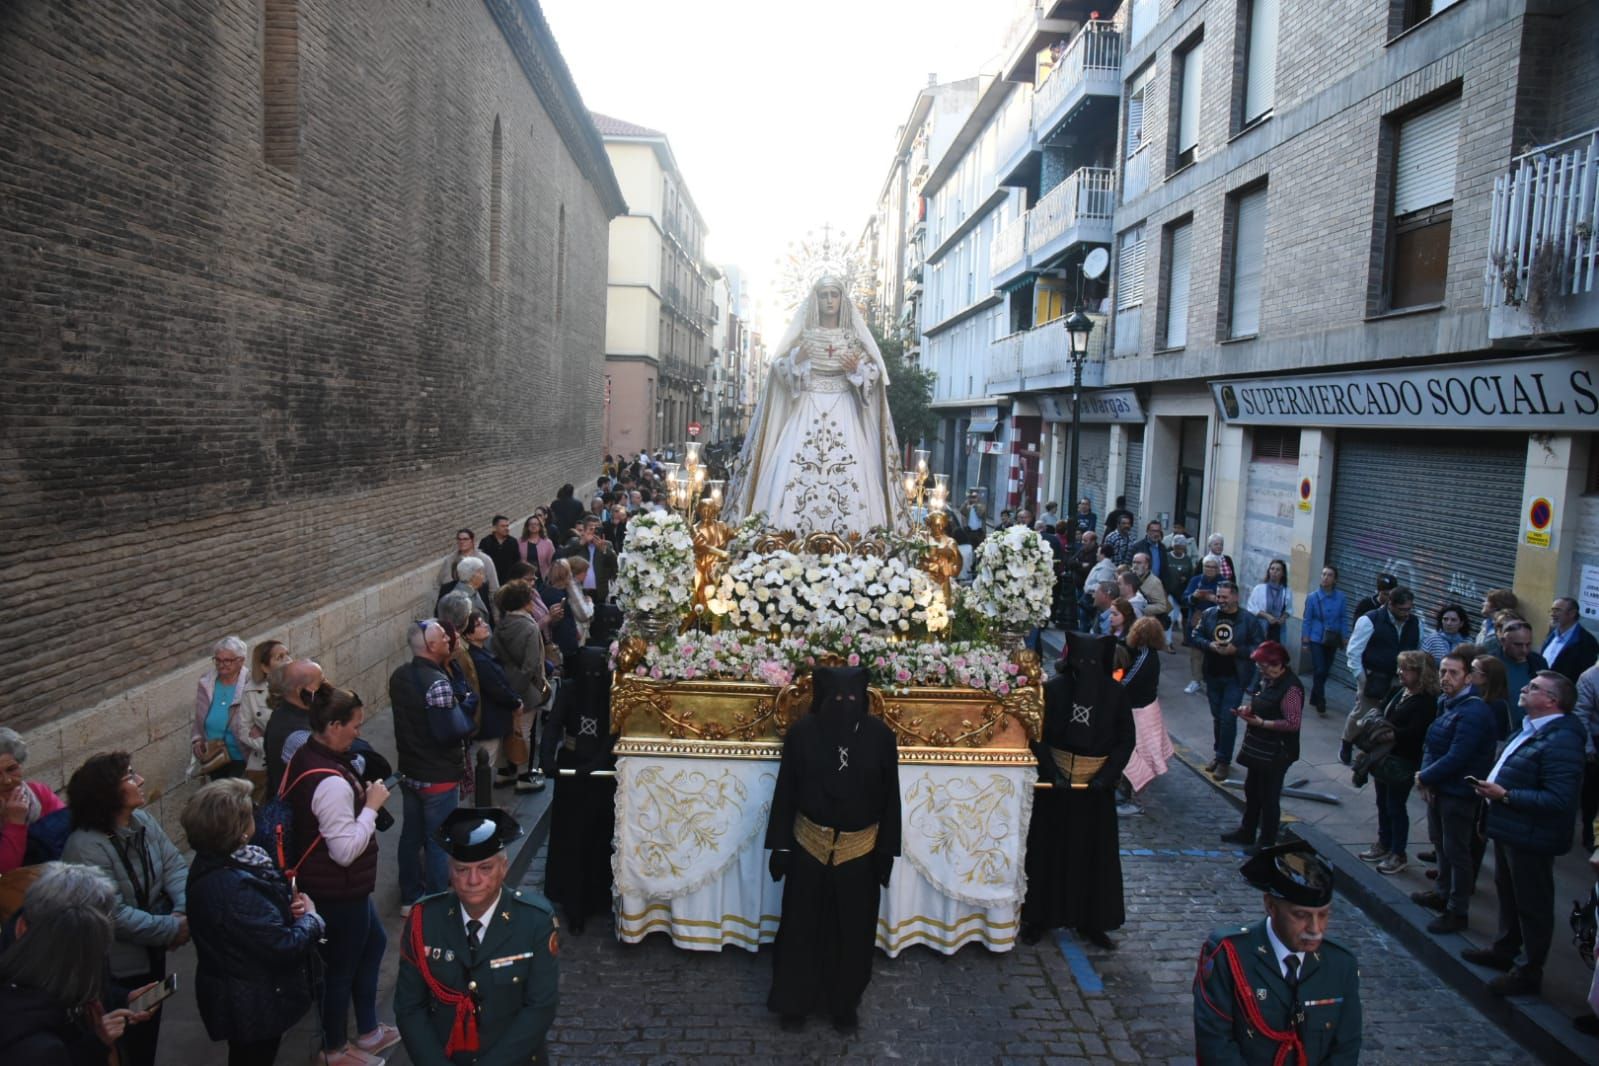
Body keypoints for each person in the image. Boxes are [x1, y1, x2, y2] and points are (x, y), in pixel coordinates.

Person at [766, 667, 900, 1033]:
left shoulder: (880, 737)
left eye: (852, 699)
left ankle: (844, 1004)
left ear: (865, 701)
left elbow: (892, 799)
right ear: (822, 699)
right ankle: (794, 1002)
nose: (844, 706)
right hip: (809, 844)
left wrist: (887, 851)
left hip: (859, 853)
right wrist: (779, 846)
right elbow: (786, 792)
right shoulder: (802, 735)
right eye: (836, 699)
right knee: (800, 929)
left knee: (853, 933)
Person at [727, 276, 906, 537]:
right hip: (806, 407)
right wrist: (795, 361)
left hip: (843, 408)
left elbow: (873, 375)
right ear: (816, 300)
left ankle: (857, 541)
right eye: (824, 295)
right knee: (794, 474)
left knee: (851, 474)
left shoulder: (854, 339)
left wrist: (857, 370)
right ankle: (786, 538)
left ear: (842, 299)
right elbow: (778, 370)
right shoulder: (803, 337)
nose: (829, 300)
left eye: (834, 294)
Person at [282, 684, 398, 1065]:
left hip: (344, 888)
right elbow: (345, 851)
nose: (359, 732)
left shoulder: (309, 753)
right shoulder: (329, 781)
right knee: (339, 972)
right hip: (336, 890)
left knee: (374, 943)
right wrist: (371, 807)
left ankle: (367, 1030)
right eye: (355, 725)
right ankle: (334, 1050)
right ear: (333, 725)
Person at [395, 808, 559, 1063]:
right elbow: (409, 1008)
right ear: (450, 871)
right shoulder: (423, 920)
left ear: (503, 868)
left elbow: (540, 1008)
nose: (473, 880)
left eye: (485, 868)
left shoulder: (535, 921)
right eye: (462, 869)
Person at [181, 778, 323, 1066]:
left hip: (246, 990)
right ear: (239, 830)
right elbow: (281, 944)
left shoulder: (226, 863)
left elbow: (256, 926)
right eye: (250, 812)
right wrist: (311, 919)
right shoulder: (235, 886)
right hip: (252, 1000)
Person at [61, 753, 189, 1066]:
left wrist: (184, 912)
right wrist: (172, 928)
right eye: (130, 776)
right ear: (108, 793)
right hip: (118, 966)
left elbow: (174, 865)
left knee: (149, 1030)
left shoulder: (142, 821)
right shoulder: (85, 847)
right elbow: (113, 914)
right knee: (127, 1042)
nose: (141, 780)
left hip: (152, 950)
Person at [1462, 671, 1585, 996]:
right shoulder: (1531, 727)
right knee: (1509, 893)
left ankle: (1529, 970)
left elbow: (1559, 799)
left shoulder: (1563, 740)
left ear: (1551, 700)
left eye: (1533, 688)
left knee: (1532, 903)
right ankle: (1505, 949)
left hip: (1532, 835)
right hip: (1509, 829)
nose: (1525, 689)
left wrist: (1506, 796)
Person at [1193, 842, 1362, 1064]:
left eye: (1323, 915)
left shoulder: (1340, 964)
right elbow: (1216, 1045)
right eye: (1301, 915)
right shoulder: (1229, 955)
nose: (1315, 929)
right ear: (1271, 906)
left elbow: (1346, 1047)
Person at [1022, 634, 1135, 950]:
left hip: (1095, 791)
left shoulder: (1115, 694)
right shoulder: (1054, 690)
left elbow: (1126, 739)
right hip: (1056, 787)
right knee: (1047, 853)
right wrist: (1051, 772)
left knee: (1093, 857)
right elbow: (1037, 733)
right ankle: (1038, 917)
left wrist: (1107, 776)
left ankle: (1093, 920)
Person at [0, 862, 156, 1063]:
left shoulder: (78, 943)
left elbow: (92, 990)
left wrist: (123, 999)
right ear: (23, 928)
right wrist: (97, 1042)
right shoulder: (27, 1039)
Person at [1411, 648, 1498, 934]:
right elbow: (1431, 743)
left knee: (1456, 851)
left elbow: (1458, 755)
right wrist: (1427, 778)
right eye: (1443, 672)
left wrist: (1426, 776)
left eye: (1453, 673)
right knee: (1440, 844)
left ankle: (1457, 909)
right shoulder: (1445, 703)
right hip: (1439, 788)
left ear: (1469, 678)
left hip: (1459, 793)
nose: (1446, 678)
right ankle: (1441, 892)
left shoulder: (1474, 712)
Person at [391, 621, 472, 914]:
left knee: (410, 836)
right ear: (431, 647)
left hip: (409, 770)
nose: (449, 642)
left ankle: (409, 896)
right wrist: (465, 708)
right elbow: (450, 731)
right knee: (438, 841)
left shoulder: (399, 676)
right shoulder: (437, 683)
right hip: (437, 775)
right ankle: (437, 902)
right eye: (443, 639)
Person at [539, 646, 617, 934]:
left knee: (596, 836)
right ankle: (570, 898)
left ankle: (595, 896)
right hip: (572, 770)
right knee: (570, 837)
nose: (592, 678)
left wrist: (597, 761)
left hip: (600, 775)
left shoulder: (610, 692)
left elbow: (613, 732)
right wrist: (545, 758)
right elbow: (554, 724)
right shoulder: (570, 690)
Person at [1354, 650, 1436, 875]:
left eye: (1406, 669)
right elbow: (1379, 711)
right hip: (1383, 757)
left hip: (1403, 760)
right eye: (1400, 668)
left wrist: (1390, 733)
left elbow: (1415, 732)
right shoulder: (1398, 691)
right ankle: (1383, 843)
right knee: (1382, 803)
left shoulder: (1427, 701)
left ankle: (1398, 852)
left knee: (1395, 806)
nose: (1400, 673)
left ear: (1421, 672)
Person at [1220, 642, 1303, 852]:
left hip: (1278, 751)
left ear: (1279, 663)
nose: (1263, 670)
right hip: (1262, 747)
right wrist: (1247, 710)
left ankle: (1266, 841)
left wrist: (1263, 723)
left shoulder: (1291, 688)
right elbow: (1264, 704)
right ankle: (1247, 831)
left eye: (1266, 666)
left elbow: (1293, 723)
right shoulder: (1270, 681)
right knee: (1252, 789)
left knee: (1269, 796)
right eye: (1261, 666)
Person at [1190, 582, 1263, 782]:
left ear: (1235, 597)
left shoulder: (1248, 619)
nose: (1221, 601)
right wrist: (1209, 645)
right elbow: (1196, 636)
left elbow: (1258, 647)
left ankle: (1224, 760)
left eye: (1225, 597)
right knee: (1217, 717)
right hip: (1213, 674)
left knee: (1228, 718)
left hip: (1235, 677)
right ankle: (1219, 753)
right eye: (1219, 597)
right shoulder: (1209, 615)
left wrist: (1237, 651)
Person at [1342, 585, 1420, 766]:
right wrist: (1361, 678)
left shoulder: (1415, 623)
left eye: (1409, 609)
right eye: (1402, 609)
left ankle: (1374, 750)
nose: (1407, 613)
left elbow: (1418, 648)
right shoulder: (1370, 620)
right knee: (1362, 713)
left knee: (1390, 717)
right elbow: (1354, 652)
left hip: (1399, 680)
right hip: (1373, 677)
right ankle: (1347, 742)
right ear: (1391, 604)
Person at [492, 580, 551, 795]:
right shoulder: (529, 627)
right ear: (526, 602)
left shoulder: (501, 626)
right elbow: (532, 664)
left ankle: (504, 772)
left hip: (504, 686)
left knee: (508, 729)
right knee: (525, 731)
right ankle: (524, 775)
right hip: (525, 690)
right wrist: (522, 691)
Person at [1117, 616, 1173, 816]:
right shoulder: (1150, 655)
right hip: (1146, 708)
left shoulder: (1144, 657)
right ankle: (1125, 796)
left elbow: (1127, 683)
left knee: (1133, 756)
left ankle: (1126, 798)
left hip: (1139, 712)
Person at [463, 610, 521, 781]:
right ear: (469, 635)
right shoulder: (479, 660)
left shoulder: (482, 653)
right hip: (489, 720)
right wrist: (515, 702)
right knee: (485, 763)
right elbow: (496, 688)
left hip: (494, 718)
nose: (485, 625)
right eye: (479, 625)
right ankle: (480, 803)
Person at [0, 727, 66, 874]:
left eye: (11, 769)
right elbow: (5, 871)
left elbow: (67, 834)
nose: (7, 780)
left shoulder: (38, 792)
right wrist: (15, 823)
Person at [238, 640, 291, 801]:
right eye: (280, 657)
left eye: (287, 654)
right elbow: (244, 730)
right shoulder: (251, 692)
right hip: (266, 762)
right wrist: (269, 744)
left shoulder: (299, 684)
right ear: (265, 667)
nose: (288, 660)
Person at [192, 637, 251, 781]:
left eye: (227, 661)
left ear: (241, 660)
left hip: (242, 754)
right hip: (214, 754)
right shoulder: (206, 682)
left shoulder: (251, 683)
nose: (221, 665)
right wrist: (197, 739)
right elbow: (200, 714)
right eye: (217, 660)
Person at [265, 659, 324, 796]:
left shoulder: (291, 712)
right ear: (301, 691)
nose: (327, 687)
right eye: (321, 683)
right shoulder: (298, 733)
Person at [1299, 566, 1348, 715]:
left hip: (1332, 638)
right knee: (1319, 668)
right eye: (1323, 574)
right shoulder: (1313, 597)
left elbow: (1343, 618)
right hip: (1316, 637)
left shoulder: (1341, 597)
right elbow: (1307, 619)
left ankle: (1314, 695)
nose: (1325, 577)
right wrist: (1305, 640)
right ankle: (1321, 699)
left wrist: (1345, 636)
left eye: (1329, 575)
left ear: (1335, 579)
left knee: (1325, 670)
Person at [1494, 620, 1548, 731]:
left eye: (1528, 644)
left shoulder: (1538, 662)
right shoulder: (1491, 663)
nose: (1524, 650)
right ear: (1503, 641)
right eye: (1518, 645)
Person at [1182, 555, 1224, 693]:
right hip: (1197, 618)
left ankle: (1211, 681)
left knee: (1214, 652)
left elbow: (1230, 602)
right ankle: (1196, 680)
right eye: (1207, 566)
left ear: (1218, 569)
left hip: (1217, 621)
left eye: (1213, 567)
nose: (1210, 569)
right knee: (1196, 652)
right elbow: (1185, 598)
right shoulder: (1196, 580)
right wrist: (1194, 596)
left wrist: (1215, 599)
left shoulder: (1223, 583)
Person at [556, 515, 618, 605]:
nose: (595, 532)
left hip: (600, 594)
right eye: (591, 529)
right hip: (580, 592)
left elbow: (615, 566)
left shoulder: (607, 545)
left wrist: (605, 551)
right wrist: (581, 543)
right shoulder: (575, 543)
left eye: (597, 529)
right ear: (584, 530)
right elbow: (562, 557)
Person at [1542, 596, 1598, 682]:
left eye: (1557, 610)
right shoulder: (1552, 633)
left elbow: (1582, 676)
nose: (1552, 614)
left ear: (1572, 613)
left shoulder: (1586, 641)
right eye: (1552, 610)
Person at [438, 529, 501, 603]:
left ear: (472, 540)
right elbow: (443, 583)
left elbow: (494, 588)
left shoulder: (485, 560)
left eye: (465, 539)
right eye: (459, 539)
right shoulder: (450, 560)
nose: (462, 542)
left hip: (480, 601)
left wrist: (496, 612)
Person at [1577, 661, 1599, 854]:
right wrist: (1589, 748)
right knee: (1592, 795)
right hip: (1596, 743)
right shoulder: (1590, 677)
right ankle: (1590, 833)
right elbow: (1581, 713)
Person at [436, 555, 493, 627]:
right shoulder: (459, 599)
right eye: (481, 573)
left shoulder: (474, 591)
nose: (484, 577)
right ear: (472, 576)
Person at [1247, 559, 1293, 644]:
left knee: (1276, 653)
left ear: (1283, 573)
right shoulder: (1259, 588)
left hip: (1278, 628)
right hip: (1261, 626)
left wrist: (1283, 618)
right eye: (1272, 569)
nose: (1274, 572)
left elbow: (1289, 609)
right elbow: (1251, 607)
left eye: (1278, 570)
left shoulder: (1286, 591)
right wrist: (1267, 616)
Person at [1163, 535, 1197, 646]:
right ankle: (1168, 641)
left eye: (1181, 547)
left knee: (1180, 617)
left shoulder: (1187, 559)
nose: (1179, 549)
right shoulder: (1167, 557)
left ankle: (1183, 639)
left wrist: (1185, 578)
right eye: (1177, 547)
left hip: (1181, 592)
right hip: (1168, 591)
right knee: (1171, 616)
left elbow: (1190, 574)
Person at [477, 515, 521, 587]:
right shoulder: (486, 542)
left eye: (507, 526)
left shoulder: (513, 541)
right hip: (491, 582)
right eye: (503, 526)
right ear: (494, 528)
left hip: (509, 582)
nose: (506, 528)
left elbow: (517, 561)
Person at [1421, 602, 1469, 666]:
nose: (1448, 623)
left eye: (1453, 620)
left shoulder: (1468, 642)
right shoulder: (1431, 640)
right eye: (1445, 619)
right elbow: (1421, 663)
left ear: (1461, 623)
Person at [518, 514, 556, 581]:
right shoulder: (520, 542)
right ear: (527, 526)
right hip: (525, 578)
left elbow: (552, 562)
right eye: (531, 524)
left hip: (543, 578)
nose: (533, 526)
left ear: (540, 526)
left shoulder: (547, 543)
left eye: (536, 524)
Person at [1130, 520, 1167, 585]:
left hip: (1157, 585)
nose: (1156, 534)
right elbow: (1129, 566)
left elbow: (1165, 569)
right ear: (1147, 531)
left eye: (1158, 531)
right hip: (1141, 584)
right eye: (1153, 531)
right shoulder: (1137, 547)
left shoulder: (1162, 548)